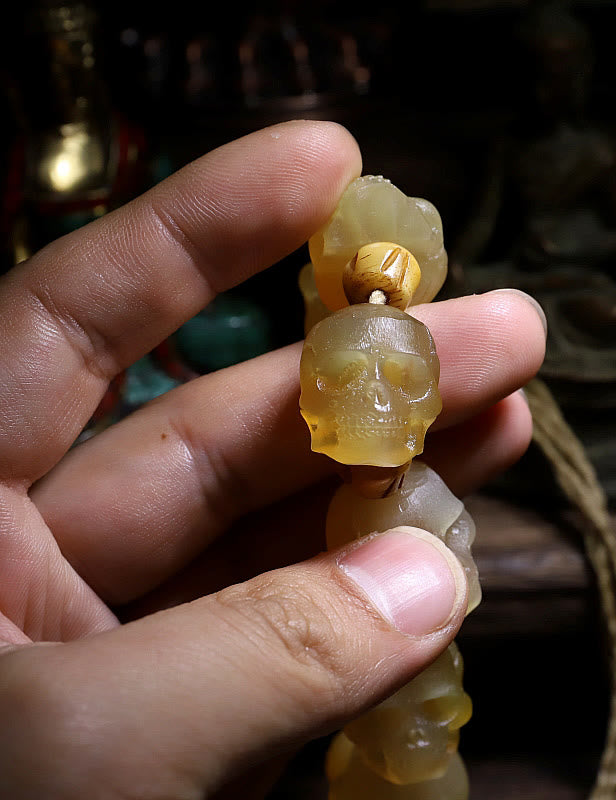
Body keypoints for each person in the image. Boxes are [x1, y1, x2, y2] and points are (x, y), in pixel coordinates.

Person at [0, 120, 546, 799]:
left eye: (404, 388)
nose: (375, 410)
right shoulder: (350, 502)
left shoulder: (415, 495)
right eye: (343, 386)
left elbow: (457, 546)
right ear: (313, 407)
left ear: (431, 404)